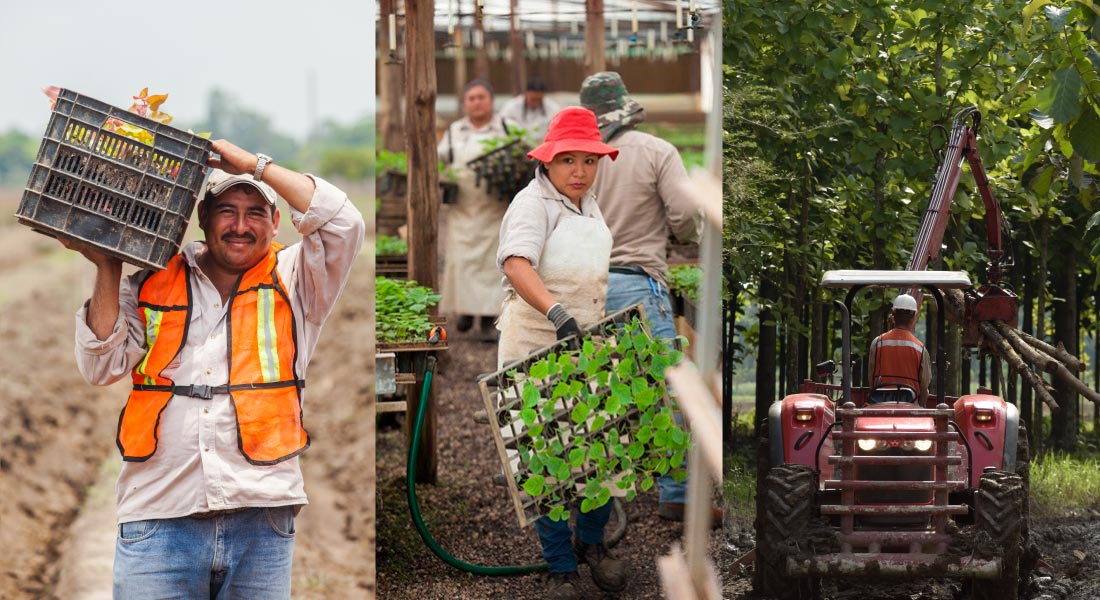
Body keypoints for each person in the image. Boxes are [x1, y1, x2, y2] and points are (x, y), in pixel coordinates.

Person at [64, 139, 365, 598]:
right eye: (227, 210)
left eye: (255, 212)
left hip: (261, 518)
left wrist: (253, 166)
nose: (240, 226)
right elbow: (101, 366)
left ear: (276, 222)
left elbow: (344, 222)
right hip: (158, 514)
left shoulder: (298, 279)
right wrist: (107, 266)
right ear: (202, 218)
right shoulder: (150, 280)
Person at [495, 106, 624, 599]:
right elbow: (516, 264)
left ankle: (590, 542)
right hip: (537, 340)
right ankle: (559, 566)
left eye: (589, 161)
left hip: (586, 340)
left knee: (601, 450)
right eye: (568, 160)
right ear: (547, 161)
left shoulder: (588, 204)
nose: (579, 171)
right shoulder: (533, 204)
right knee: (546, 456)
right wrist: (556, 313)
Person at [579, 71, 704, 523]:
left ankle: (597, 492)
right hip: (637, 283)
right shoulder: (657, 151)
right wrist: (681, 234)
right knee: (662, 388)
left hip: (582, 285)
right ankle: (675, 493)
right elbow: (686, 211)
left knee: (594, 387)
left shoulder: (579, 159)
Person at [438, 78, 512, 337]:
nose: (477, 102)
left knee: (491, 266)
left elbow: (524, 158)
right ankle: (465, 312)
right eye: (471, 98)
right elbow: (438, 160)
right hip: (463, 208)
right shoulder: (455, 131)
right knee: (463, 263)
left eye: (481, 97)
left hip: (494, 209)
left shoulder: (506, 128)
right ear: (465, 104)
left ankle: (489, 320)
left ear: (491, 100)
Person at [867, 293, 932, 403]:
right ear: (914, 318)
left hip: (880, 405)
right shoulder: (920, 349)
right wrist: (919, 407)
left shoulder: (878, 343)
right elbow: (924, 387)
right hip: (910, 407)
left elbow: (871, 379)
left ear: (893, 316)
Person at [498, 75, 561, 142]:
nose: (536, 103)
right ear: (525, 94)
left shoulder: (553, 108)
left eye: (539, 99)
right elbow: (500, 125)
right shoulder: (511, 107)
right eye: (533, 99)